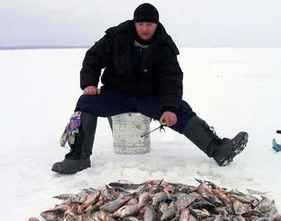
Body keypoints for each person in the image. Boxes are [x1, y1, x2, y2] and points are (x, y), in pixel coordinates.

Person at [52, 3, 248, 174]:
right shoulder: (117, 36)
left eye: (150, 24)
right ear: (135, 23)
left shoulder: (164, 46)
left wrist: (169, 108)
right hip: (116, 93)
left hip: (149, 96)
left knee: (180, 108)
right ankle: (78, 157)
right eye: (141, 24)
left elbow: (171, 79)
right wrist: (89, 84)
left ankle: (217, 149)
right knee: (86, 102)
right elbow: (93, 57)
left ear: (157, 24)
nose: (145, 28)